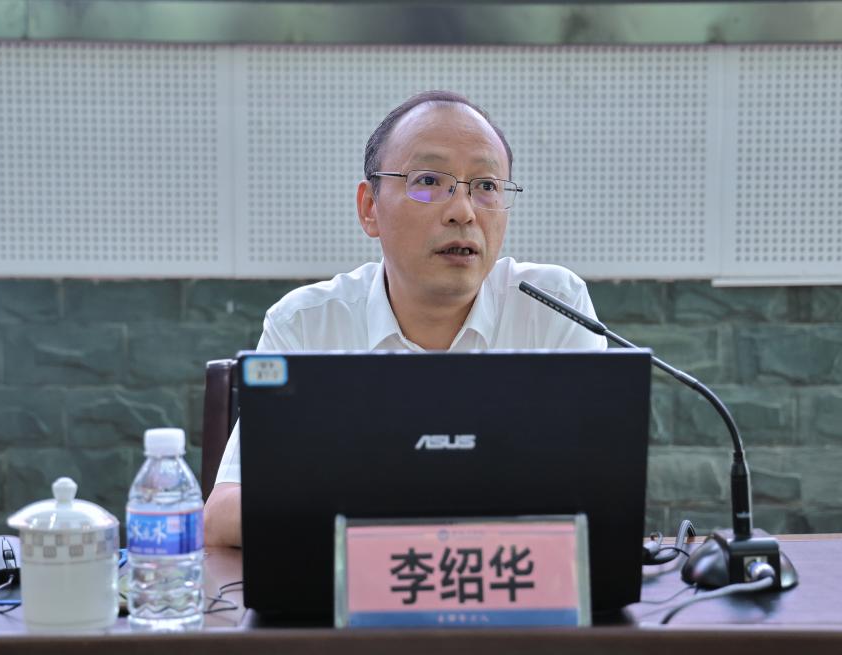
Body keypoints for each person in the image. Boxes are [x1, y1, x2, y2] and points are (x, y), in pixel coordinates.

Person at [203, 90, 606, 547]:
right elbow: (225, 514)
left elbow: (599, 496)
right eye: (429, 180)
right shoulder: (309, 324)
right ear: (369, 208)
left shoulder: (553, 308)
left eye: (486, 186)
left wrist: (356, 501)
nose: (463, 212)